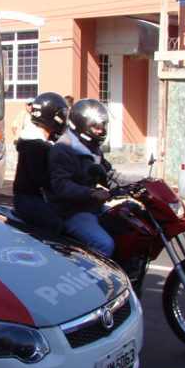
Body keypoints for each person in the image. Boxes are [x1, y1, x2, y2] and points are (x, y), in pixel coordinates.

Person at [48, 98, 116, 257]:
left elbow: (109, 175)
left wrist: (144, 182)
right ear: (81, 124)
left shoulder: (93, 148)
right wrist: (91, 193)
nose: (100, 131)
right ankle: (97, 281)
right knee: (104, 244)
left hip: (91, 207)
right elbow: (61, 186)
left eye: (102, 127)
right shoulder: (64, 149)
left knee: (128, 224)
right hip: (71, 211)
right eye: (96, 127)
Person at [13, 92, 68, 235]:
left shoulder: (47, 140)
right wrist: (60, 187)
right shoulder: (34, 143)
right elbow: (38, 176)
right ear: (51, 115)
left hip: (37, 196)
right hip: (26, 198)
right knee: (55, 225)